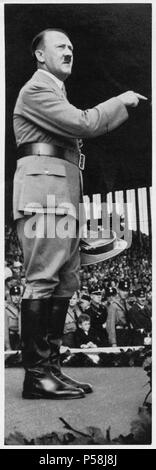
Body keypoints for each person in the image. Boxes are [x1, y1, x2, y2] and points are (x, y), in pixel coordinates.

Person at [13, 27, 146, 399]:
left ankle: (50, 369)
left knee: (64, 281)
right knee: (43, 279)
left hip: (61, 196)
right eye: (60, 46)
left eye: (71, 46)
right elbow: (84, 123)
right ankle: (37, 375)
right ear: (40, 55)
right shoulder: (37, 89)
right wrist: (120, 101)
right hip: (44, 196)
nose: (69, 51)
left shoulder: (55, 92)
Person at [106, 279, 131, 346]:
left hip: (128, 334)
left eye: (126, 290)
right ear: (118, 290)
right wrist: (113, 342)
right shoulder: (113, 305)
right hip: (119, 335)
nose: (125, 293)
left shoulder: (127, 304)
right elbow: (110, 325)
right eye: (123, 290)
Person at [5, 285, 21, 351]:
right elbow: (5, 330)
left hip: (19, 339)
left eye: (18, 295)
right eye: (14, 295)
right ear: (10, 296)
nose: (16, 298)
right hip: (10, 338)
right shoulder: (5, 309)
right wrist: (8, 347)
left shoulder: (20, 308)